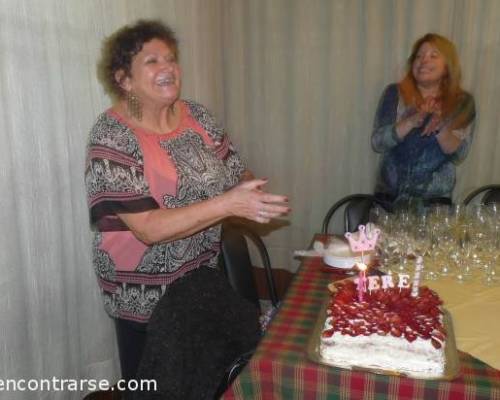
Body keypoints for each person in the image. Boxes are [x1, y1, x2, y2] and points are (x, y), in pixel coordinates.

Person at [85, 19, 289, 398]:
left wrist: (248, 189)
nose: (169, 67)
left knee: (208, 380)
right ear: (124, 79)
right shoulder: (112, 135)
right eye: (152, 61)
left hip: (199, 281)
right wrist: (228, 203)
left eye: (172, 58)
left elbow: (233, 170)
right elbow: (148, 227)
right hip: (146, 298)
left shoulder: (198, 117)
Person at [371, 33, 476, 211]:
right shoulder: (394, 93)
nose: (423, 61)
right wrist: (412, 120)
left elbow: (460, 154)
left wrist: (440, 126)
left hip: (434, 209)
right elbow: (377, 143)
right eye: (419, 56)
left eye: (433, 55)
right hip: (388, 204)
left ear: (447, 66)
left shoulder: (462, 101)